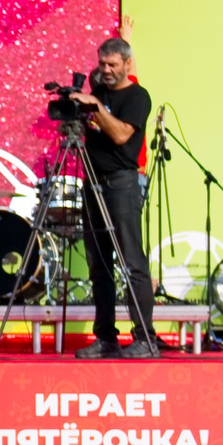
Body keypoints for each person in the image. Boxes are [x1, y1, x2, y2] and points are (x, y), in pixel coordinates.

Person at [65, 36, 160, 358]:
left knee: (131, 262)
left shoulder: (137, 97)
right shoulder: (98, 93)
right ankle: (106, 338)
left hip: (122, 184)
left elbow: (120, 134)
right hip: (93, 183)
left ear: (126, 65)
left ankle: (145, 339)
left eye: (112, 65)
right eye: (102, 64)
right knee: (99, 265)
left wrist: (96, 108)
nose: (105, 70)